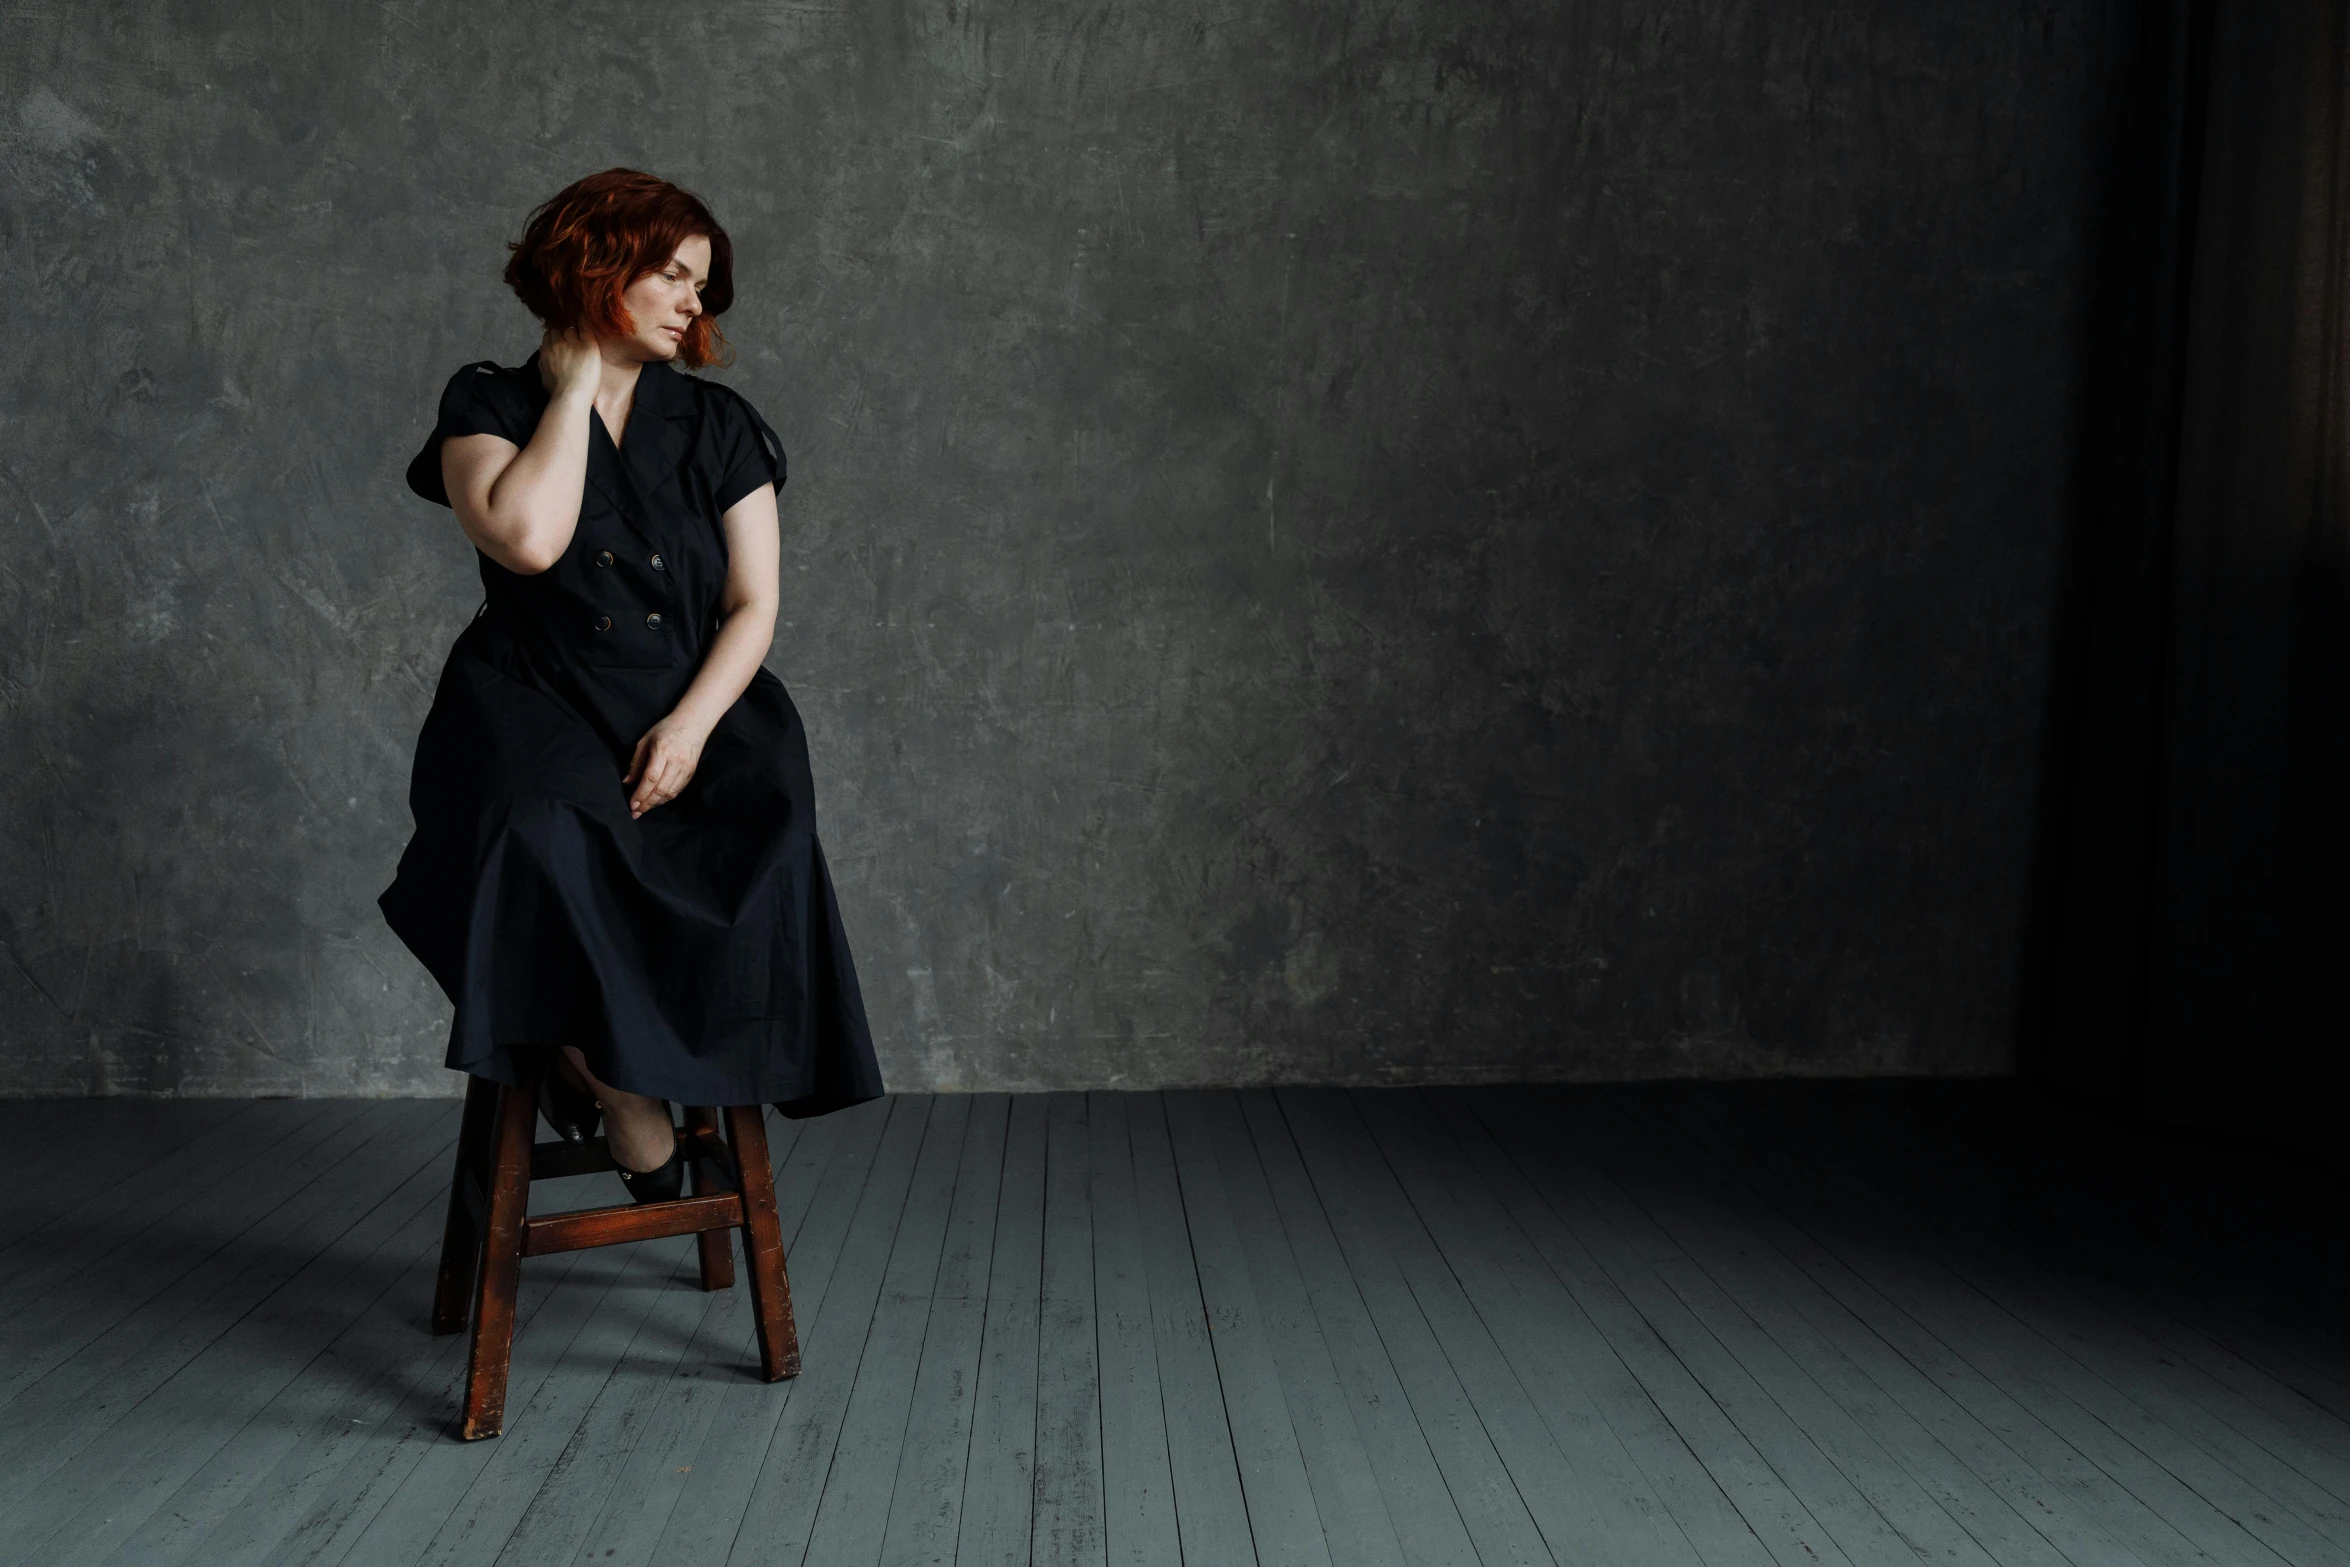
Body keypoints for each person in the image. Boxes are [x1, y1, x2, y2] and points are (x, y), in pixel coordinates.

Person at [380, 169, 883, 1202]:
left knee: (759, 829)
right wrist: (572, 386)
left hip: (694, 696)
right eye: (672, 275)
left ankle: (603, 1058)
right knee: (538, 832)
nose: (697, 302)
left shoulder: (718, 427)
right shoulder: (488, 400)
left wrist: (692, 727)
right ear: (596, 267)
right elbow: (528, 540)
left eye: (704, 284)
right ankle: (615, 1083)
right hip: (532, 696)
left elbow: (752, 603)